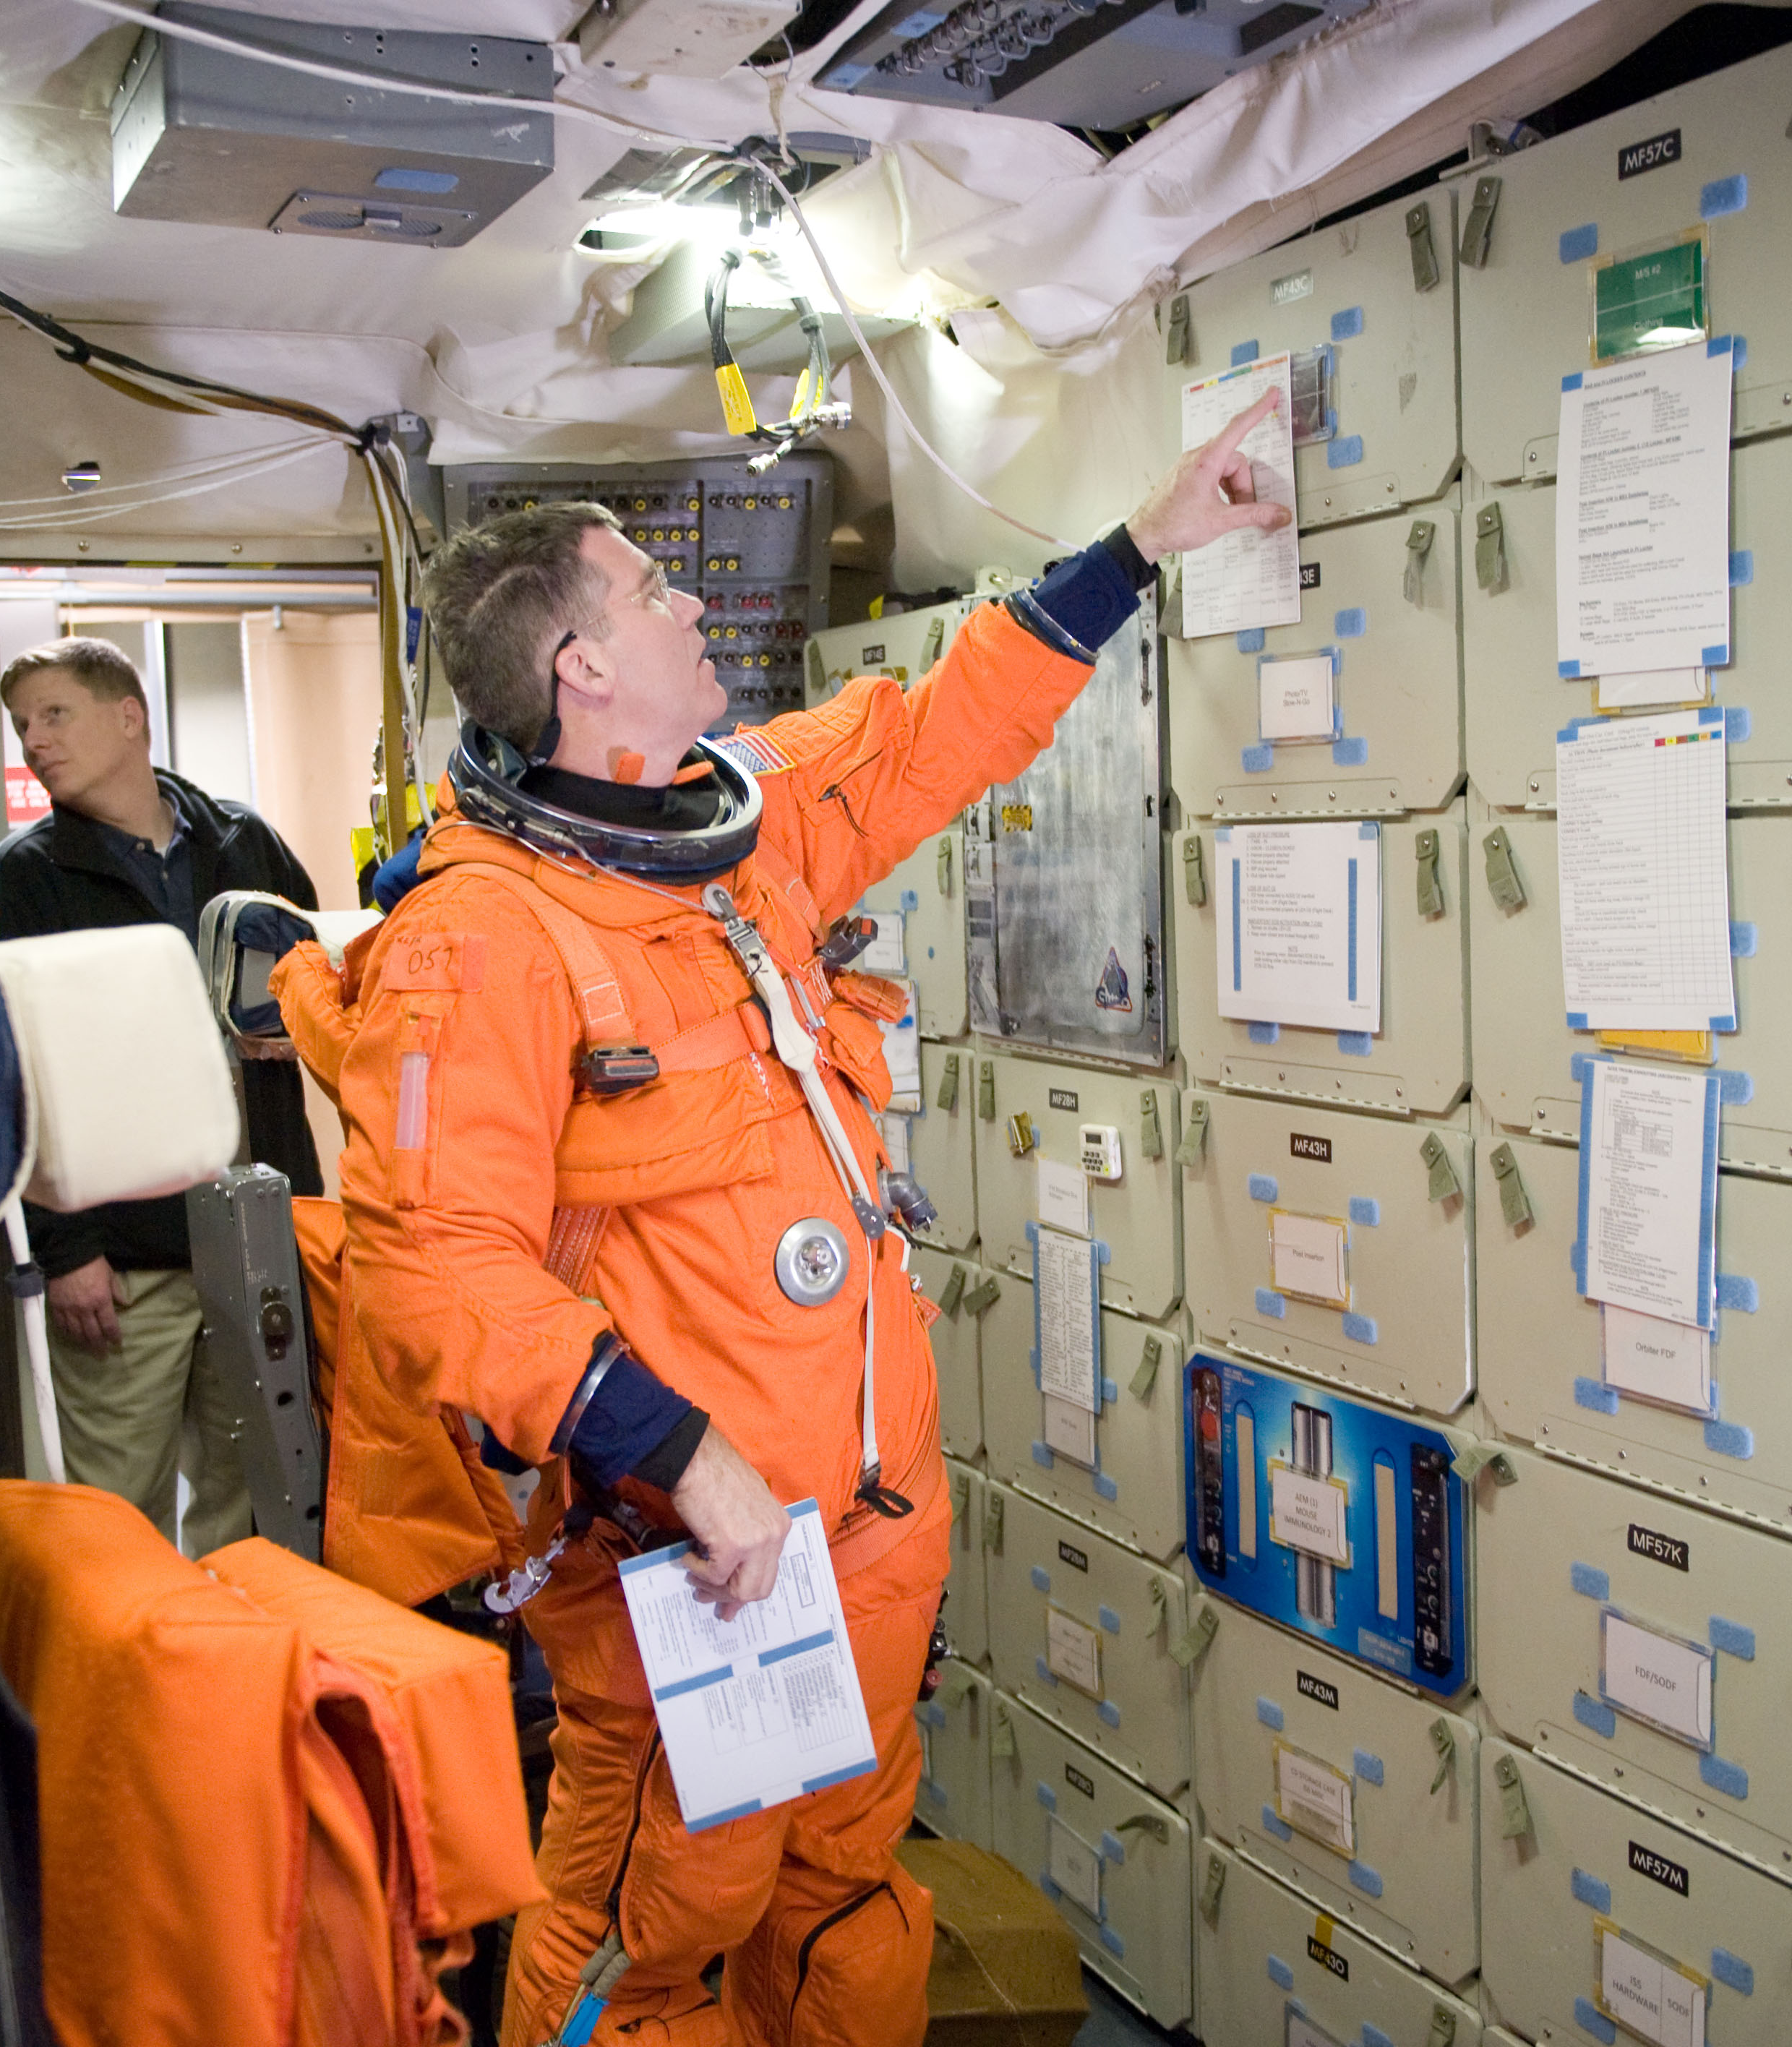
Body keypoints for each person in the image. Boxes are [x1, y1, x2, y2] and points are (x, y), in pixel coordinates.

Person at [283, 398, 1284, 2047]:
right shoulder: (482, 943)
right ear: (582, 672)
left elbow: (925, 733)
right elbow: (432, 1263)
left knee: (842, 1897)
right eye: (649, 596)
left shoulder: (733, 837)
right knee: (653, 1933)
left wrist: (1148, 540)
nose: (692, 608)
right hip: (701, 1564)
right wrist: (680, 1454)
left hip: (865, 1532)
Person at [0, 635, 327, 1554]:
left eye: (54, 714)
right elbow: (17, 1073)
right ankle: (125, 1691)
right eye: (22, 725)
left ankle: (228, 1685)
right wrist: (64, 1252)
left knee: (249, 1499)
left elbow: (325, 973)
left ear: (128, 716)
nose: (34, 741)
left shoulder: (239, 839)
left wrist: (294, 1020)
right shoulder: (26, 877)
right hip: (122, 1258)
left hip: (254, 1229)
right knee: (114, 1517)